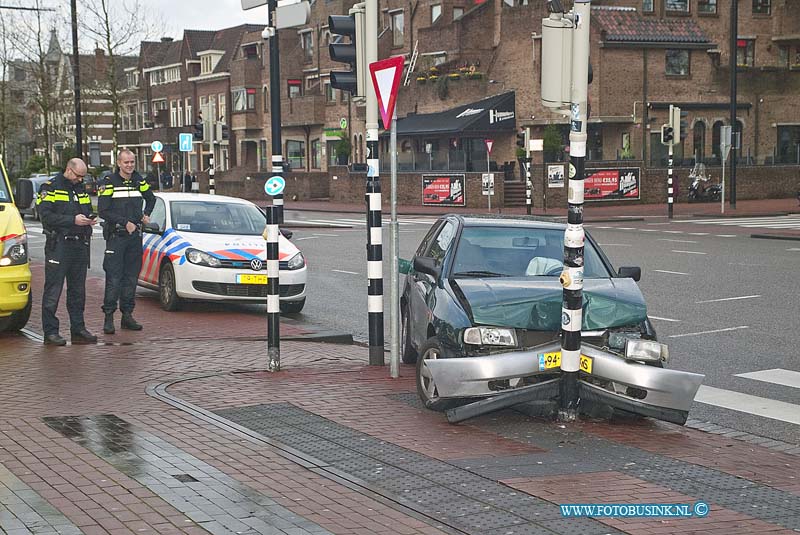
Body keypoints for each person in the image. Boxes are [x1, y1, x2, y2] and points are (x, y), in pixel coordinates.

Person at [38, 158, 98, 346]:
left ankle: (78, 328)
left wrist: (88, 220)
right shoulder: (50, 187)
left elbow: (87, 208)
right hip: (59, 245)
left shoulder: (80, 189)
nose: (81, 180)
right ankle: (50, 332)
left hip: (79, 245)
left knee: (78, 290)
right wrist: (72, 220)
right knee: (53, 290)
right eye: (79, 176)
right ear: (69, 170)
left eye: (83, 176)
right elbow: (46, 216)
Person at [98, 149, 156, 334]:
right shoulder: (109, 182)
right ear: (119, 163)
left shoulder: (139, 180)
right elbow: (103, 211)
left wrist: (145, 215)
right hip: (117, 237)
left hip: (134, 238)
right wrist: (125, 222)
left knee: (131, 278)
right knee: (114, 279)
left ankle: (127, 315)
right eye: (126, 162)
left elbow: (151, 198)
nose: (130, 165)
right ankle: (109, 317)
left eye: (132, 162)